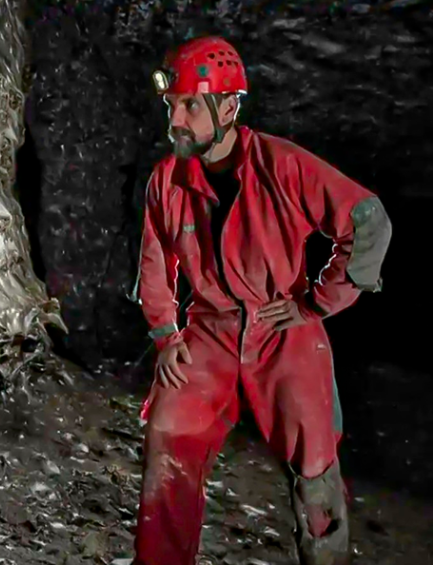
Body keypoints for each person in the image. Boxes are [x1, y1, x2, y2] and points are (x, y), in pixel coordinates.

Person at [129, 36, 392, 565]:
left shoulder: (282, 164)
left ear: (228, 107)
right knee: (170, 426)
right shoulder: (168, 178)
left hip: (281, 325)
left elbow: (366, 220)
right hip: (210, 327)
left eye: (188, 106)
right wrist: (165, 333)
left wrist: (318, 303)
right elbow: (156, 260)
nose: (174, 120)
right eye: (171, 105)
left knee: (315, 458)